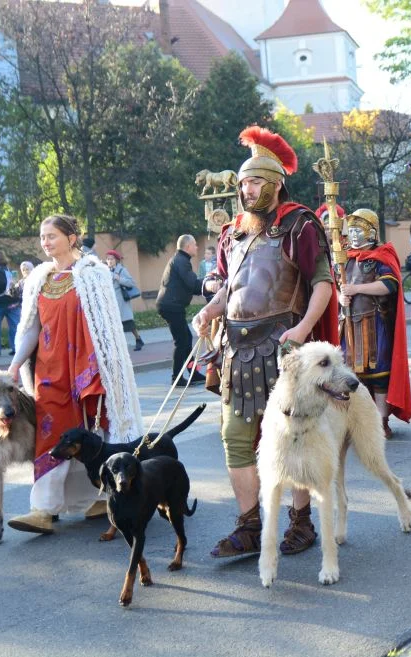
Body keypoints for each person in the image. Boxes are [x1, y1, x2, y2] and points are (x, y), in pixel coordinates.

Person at [191, 125, 338, 559]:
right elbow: (228, 289)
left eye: (254, 181)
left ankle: (300, 521)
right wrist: (208, 312)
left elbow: (323, 284)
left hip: (284, 346)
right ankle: (250, 525)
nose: (246, 189)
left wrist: (303, 329)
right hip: (237, 349)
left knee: (294, 437)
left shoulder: (299, 225)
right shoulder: (232, 233)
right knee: (236, 437)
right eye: (242, 182)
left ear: (275, 184)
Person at [5, 214, 142, 534]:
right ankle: (43, 509)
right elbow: (31, 329)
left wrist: (108, 369)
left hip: (90, 368)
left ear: (71, 238)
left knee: (94, 435)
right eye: (42, 236)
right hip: (50, 370)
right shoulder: (39, 278)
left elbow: (106, 328)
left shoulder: (94, 274)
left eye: (52, 235)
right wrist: (15, 363)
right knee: (52, 434)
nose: (45, 242)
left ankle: (97, 498)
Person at [338, 208, 411, 439]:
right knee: (351, 375)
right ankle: (358, 420)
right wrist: (342, 296)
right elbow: (335, 287)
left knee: (379, 373)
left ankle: (381, 420)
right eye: (351, 229)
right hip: (349, 322)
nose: (353, 234)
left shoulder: (381, 256)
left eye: (358, 229)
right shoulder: (344, 259)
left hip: (374, 323)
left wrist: (357, 289)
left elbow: (389, 285)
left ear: (370, 231)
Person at [156, 235, 203, 386]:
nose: (197, 247)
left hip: (172, 306)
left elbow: (190, 285)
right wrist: (209, 283)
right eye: (195, 245)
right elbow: (192, 284)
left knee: (186, 340)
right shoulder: (182, 261)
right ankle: (176, 378)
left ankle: (193, 373)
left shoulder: (180, 260)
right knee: (182, 342)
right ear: (187, 247)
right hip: (172, 307)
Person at [103, 249, 145, 351]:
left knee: (129, 323)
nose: (109, 261)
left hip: (121, 301)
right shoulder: (105, 271)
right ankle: (118, 346)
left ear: (116, 260)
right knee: (114, 324)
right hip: (111, 301)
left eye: (111, 259)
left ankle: (138, 339)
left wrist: (119, 279)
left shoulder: (122, 270)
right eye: (108, 259)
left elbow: (131, 283)